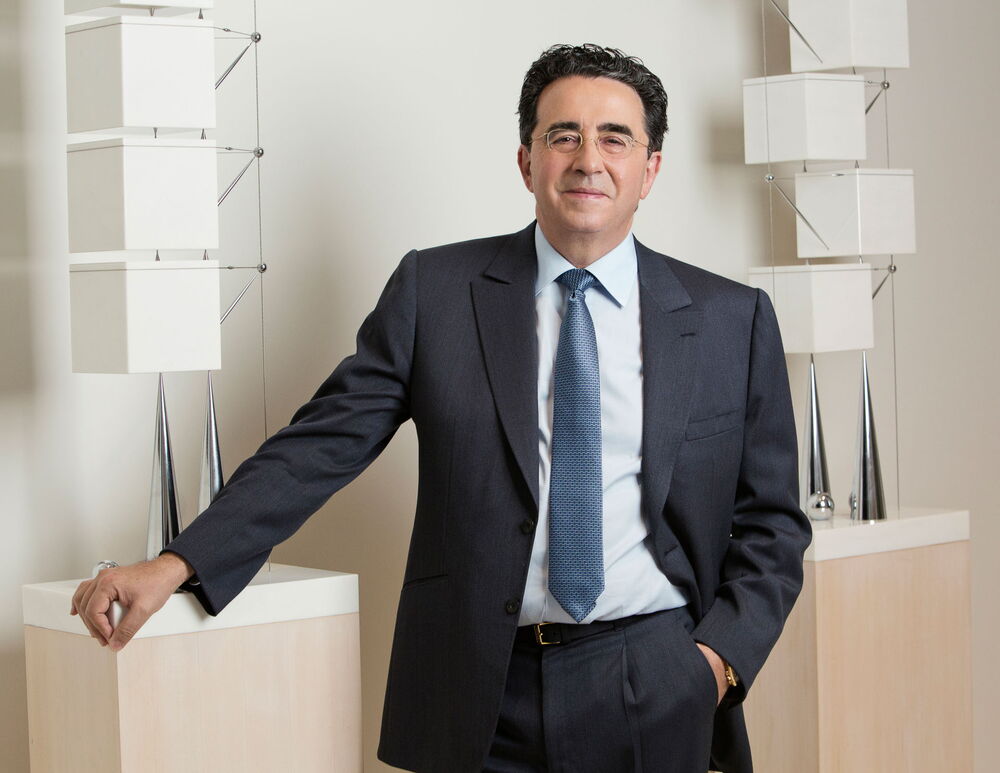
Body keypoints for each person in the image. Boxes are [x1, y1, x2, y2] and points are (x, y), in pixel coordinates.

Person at [72, 44, 811, 773]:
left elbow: (773, 524)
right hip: (475, 690)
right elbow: (318, 447)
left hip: (652, 679)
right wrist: (177, 561)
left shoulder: (730, 319)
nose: (589, 160)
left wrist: (713, 664)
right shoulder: (438, 292)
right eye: (563, 136)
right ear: (526, 161)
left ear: (650, 170)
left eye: (615, 138)